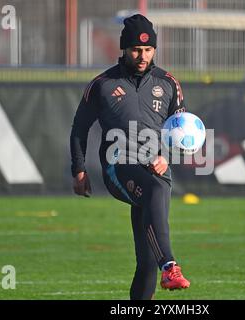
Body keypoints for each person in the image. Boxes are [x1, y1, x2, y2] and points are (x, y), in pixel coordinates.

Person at [70, 14, 190, 300]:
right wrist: (79, 169)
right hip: (118, 167)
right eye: (136, 49)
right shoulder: (103, 84)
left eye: (148, 50)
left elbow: (182, 130)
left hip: (156, 168)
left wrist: (167, 156)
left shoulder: (169, 83)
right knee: (156, 188)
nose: (142, 56)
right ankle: (171, 266)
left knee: (147, 262)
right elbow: (79, 128)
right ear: (123, 48)